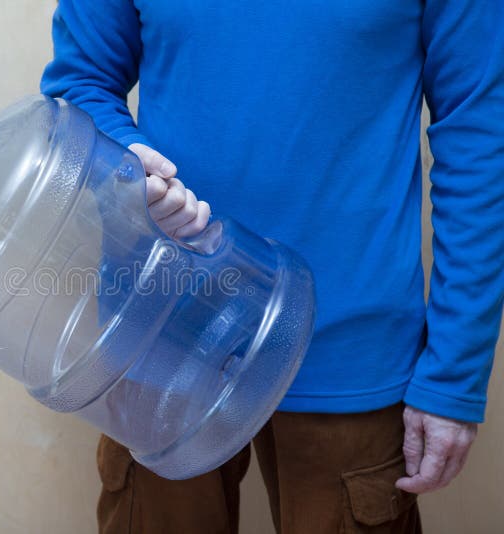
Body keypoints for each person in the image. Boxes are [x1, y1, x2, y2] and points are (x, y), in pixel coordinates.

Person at [40, 1, 504, 532]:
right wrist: (125, 162)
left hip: (348, 349)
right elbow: (79, 83)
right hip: (160, 337)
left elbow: (480, 138)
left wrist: (455, 373)